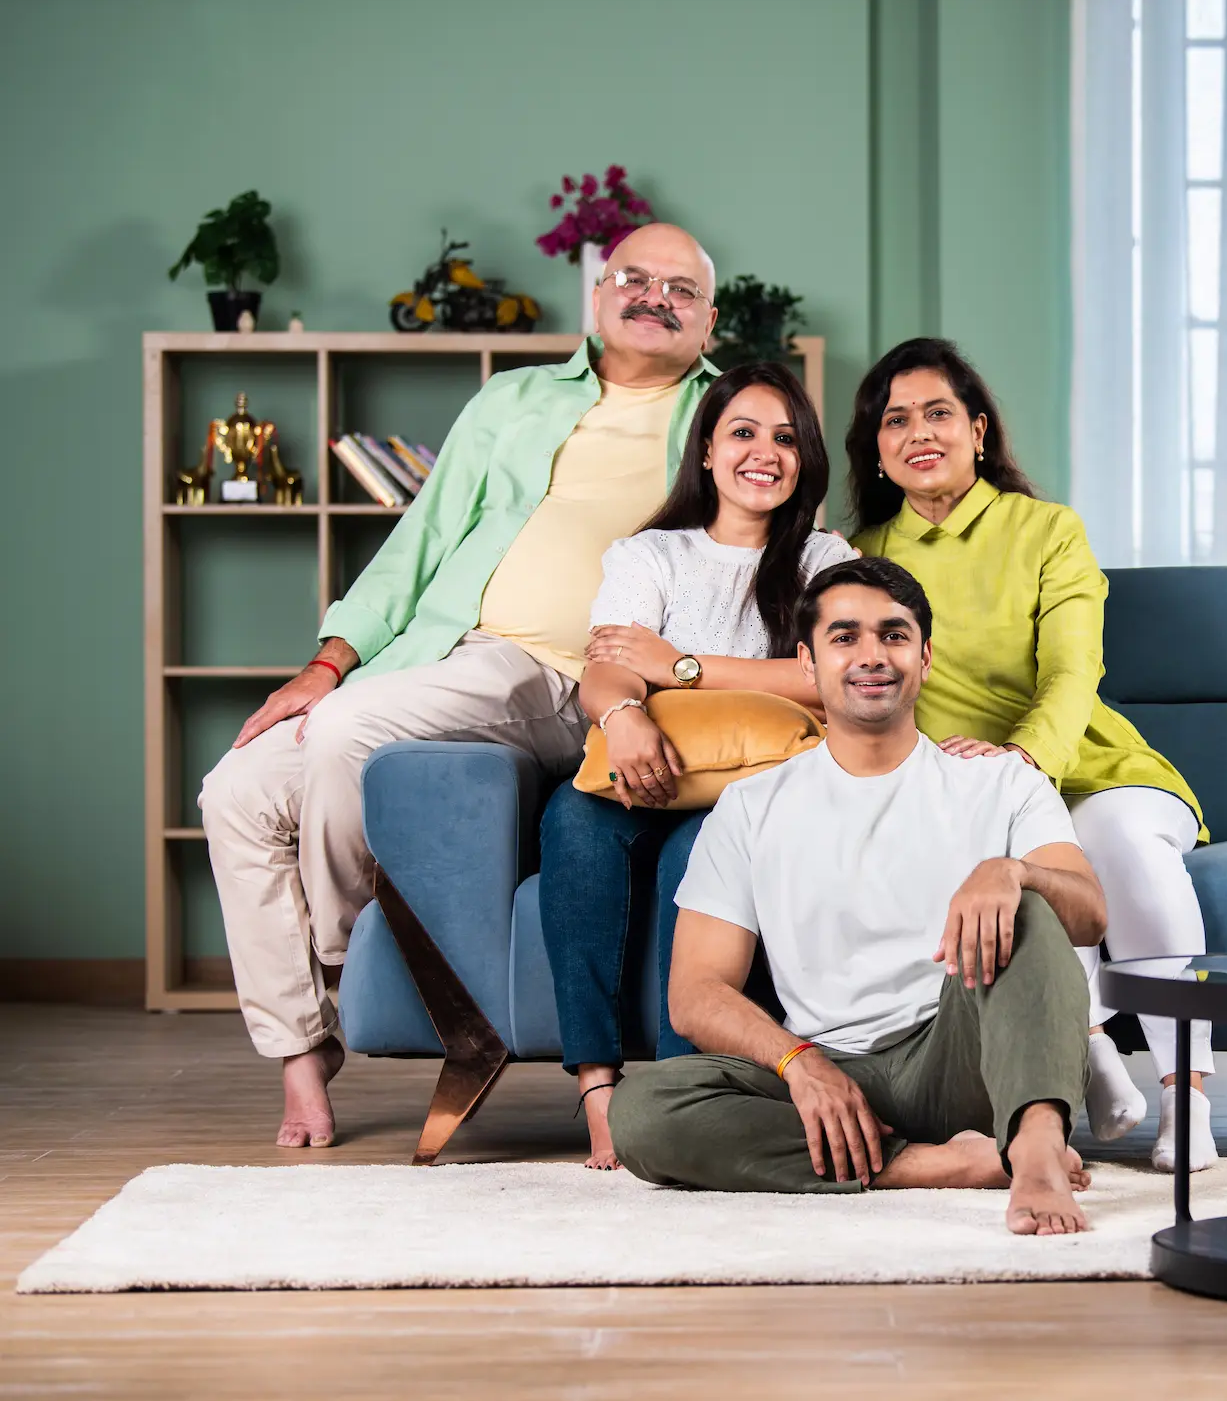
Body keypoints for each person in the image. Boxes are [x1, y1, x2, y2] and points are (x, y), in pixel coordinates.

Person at [199, 224, 724, 1149]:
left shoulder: (723, 417)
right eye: (633, 279)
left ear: (708, 319)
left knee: (346, 734)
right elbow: (420, 540)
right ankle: (301, 1049)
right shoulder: (512, 397)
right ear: (598, 297)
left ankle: (350, 956)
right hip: (437, 658)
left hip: (563, 677)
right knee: (235, 792)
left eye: (679, 289)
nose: (653, 297)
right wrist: (329, 662)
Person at [608, 558, 1098, 1235]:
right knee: (641, 1111)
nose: (873, 656)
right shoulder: (750, 808)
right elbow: (695, 994)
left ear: (925, 658)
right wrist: (798, 1063)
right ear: (807, 663)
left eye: (894, 636)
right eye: (846, 638)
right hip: (833, 1067)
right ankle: (934, 1165)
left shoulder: (1001, 785)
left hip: (967, 1059)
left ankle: (1037, 1154)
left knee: (1031, 906)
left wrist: (1015, 872)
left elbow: (1090, 915)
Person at [848, 337, 1218, 1171]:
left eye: (939, 413)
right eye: (895, 420)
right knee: (1014, 855)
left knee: (1107, 842)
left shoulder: (1047, 529)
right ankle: (1084, 1053)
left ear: (978, 431)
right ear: (876, 449)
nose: (920, 432)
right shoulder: (861, 553)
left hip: (1089, 766)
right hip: (972, 791)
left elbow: (1073, 670)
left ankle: (1187, 1094)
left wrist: (1022, 762)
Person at [540, 360, 853, 1169]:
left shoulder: (824, 558)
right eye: (742, 433)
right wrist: (624, 714)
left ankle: (686, 1095)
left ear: (806, 459)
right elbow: (608, 664)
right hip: (641, 762)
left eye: (786, 438)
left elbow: (828, 676)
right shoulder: (652, 554)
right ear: (707, 451)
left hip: (753, 788)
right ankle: (601, 1089)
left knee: (696, 858)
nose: (764, 453)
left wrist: (677, 666)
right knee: (571, 823)